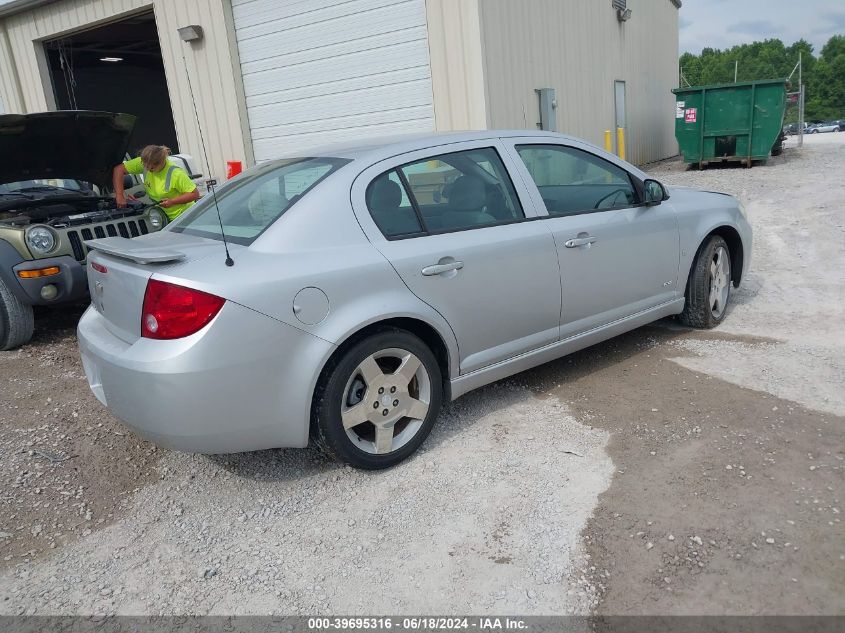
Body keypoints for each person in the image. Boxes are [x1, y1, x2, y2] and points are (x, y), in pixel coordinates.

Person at [112, 145, 200, 221]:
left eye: (152, 168)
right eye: (145, 166)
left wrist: (172, 201)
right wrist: (120, 195)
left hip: (184, 217)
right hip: (162, 216)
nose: (148, 169)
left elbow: (194, 194)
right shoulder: (145, 162)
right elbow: (119, 169)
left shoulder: (176, 173)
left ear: (161, 162)